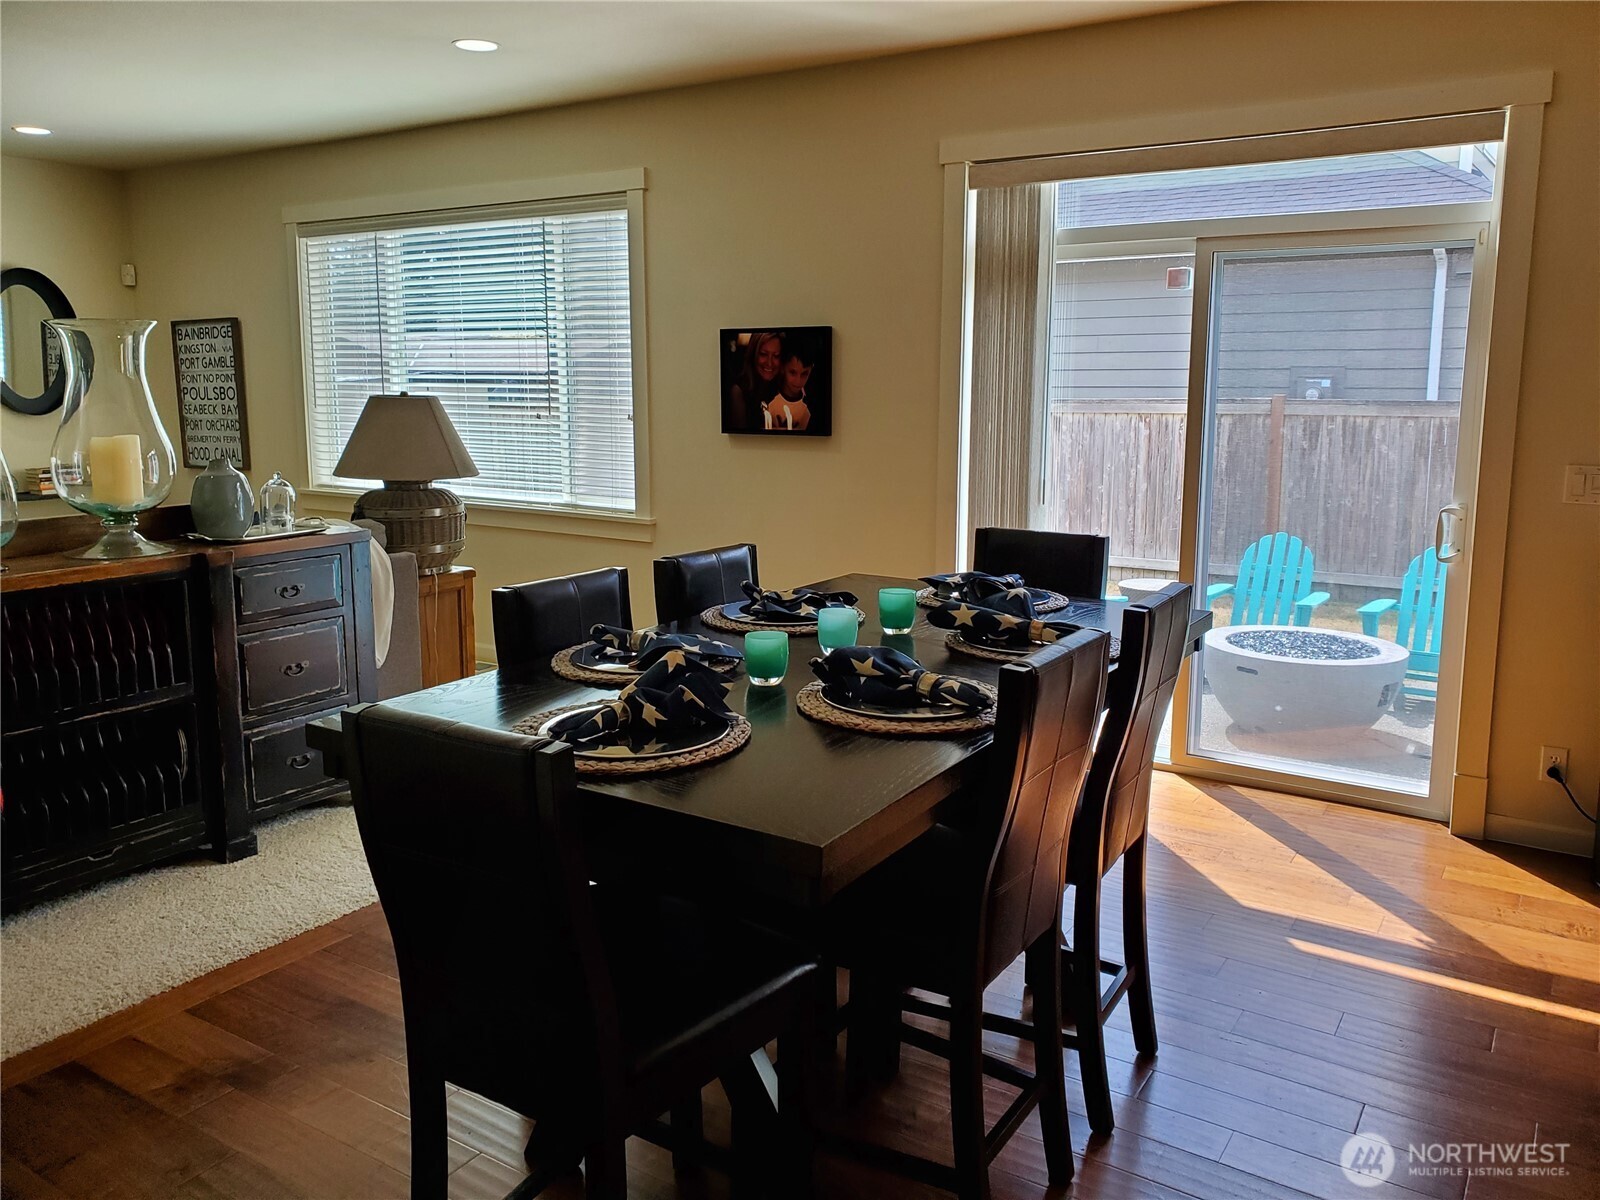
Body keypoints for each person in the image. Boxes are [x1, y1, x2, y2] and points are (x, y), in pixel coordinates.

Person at [725, 331, 783, 431]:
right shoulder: (739, 391)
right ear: (753, 355)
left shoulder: (784, 387)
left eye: (776, 356)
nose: (769, 363)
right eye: (763, 354)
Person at [762, 338, 815, 432]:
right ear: (783, 368)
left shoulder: (810, 406)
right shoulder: (768, 397)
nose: (798, 381)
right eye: (792, 372)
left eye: (804, 374)